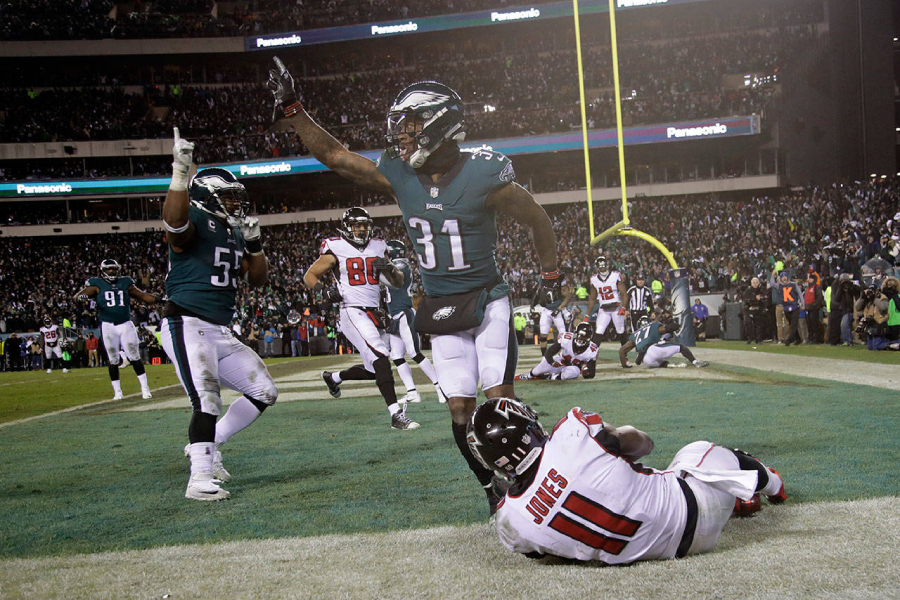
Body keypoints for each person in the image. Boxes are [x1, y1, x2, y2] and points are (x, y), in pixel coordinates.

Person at [269, 60, 560, 514]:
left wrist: (551, 274)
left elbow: (536, 217)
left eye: (411, 124)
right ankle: (491, 489)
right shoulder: (400, 173)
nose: (402, 133)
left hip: (487, 300)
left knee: (500, 403)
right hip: (442, 307)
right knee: (460, 412)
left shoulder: (484, 172)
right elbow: (336, 157)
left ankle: (539, 482)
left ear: (439, 123)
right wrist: (292, 107)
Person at [467, 398, 786, 564]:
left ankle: (738, 500)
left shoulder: (509, 522)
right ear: (527, 424)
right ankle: (773, 485)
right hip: (692, 508)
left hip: (651, 551)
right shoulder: (572, 432)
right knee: (696, 453)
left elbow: (543, 552)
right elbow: (642, 443)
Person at [161, 128, 279, 502]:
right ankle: (199, 479)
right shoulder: (194, 215)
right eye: (226, 197)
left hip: (220, 329)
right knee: (207, 399)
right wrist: (180, 177)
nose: (234, 203)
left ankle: (212, 443)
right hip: (186, 321)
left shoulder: (233, 231)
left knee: (264, 391)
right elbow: (175, 229)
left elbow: (257, 279)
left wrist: (256, 244)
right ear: (205, 197)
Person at [304, 207, 420, 430]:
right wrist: (323, 290)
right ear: (347, 226)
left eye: (365, 225)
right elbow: (310, 275)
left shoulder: (378, 246)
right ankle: (396, 415)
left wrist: (389, 268)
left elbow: (397, 282)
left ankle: (334, 377)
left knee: (375, 368)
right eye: (357, 225)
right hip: (351, 310)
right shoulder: (335, 246)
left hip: (375, 311)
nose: (361, 229)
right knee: (381, 355)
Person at [74, 259, 159, 400]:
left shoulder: (125, 282)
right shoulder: (96, 284)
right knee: (113, 359)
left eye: (113, 269)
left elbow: (142, 295)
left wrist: (160, 300)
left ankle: (145, 389)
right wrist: (80, 298)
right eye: (109, 269)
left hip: (125, 324)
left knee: (134, 356)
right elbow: (76, 297)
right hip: (107, 325)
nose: (111, 271)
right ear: (103, 271)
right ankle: (118, 392)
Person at [383, 239, 446, 405]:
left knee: (414, 352)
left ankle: (440, 386)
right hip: (395, 317)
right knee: (396, 355)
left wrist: (378, 267)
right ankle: (412, 392)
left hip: (404, 314)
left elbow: (394, 279)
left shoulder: (401, 265)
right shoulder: (396, 265)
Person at [515, 322, 598, 381]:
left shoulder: (592, 350)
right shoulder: (567, 339)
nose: (581, 339)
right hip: (561, 361)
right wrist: (552, 362)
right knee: (537, 370)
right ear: (575, 333)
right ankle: (529, 376)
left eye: (585, 337)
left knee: (571, 374)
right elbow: (550, 351)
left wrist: (586, 372)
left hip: (574, 367)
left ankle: (550, 377)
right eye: (580, 335)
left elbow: (591, 373)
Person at [619, 315, 709, 369]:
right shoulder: (653, 325)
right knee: (680, 347)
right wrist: (677, 325)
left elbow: (622, 351)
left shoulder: (635, 334)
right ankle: (695, 362)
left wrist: (625, 365)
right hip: (653, 350)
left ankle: (666, 364)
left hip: (646, 361)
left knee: (657, 359)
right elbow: (666, 329)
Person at [585, 256, 629, 345]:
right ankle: (591, 355)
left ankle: (625, 354)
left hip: (616, 307)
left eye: (603, 265)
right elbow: (593, 298)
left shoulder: (615, 275)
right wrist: (587, 315)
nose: (602, 268)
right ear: (597, 267)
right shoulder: (594, 279)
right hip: (603, 308)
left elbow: (624, 293)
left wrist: (624, 307)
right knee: (599, 331)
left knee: (620, 330)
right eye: (600, 266)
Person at [532, 281, 572, 352]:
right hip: (546, 310)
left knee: (563, 335)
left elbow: (568, 296)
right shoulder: (542, 283)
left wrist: (559, 308)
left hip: (558, 310)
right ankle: (544, 358)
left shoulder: (560, 282)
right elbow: (537, 294)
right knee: (543, 335)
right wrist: (532, 306)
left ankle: (565, 355)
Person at [742, 277, 767, 345]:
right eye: (754, 283)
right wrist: (754, 298)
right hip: (750, 309)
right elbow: (746, 298)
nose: (755, 284)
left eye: (756, 283)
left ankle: (758, 339)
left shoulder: (761, 290)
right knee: (748, 323)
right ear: (751, 283)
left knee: (759, 325)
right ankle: (750, 337)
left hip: (758, 309)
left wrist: (760, 299)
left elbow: (764, 298)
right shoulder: (748, 290)